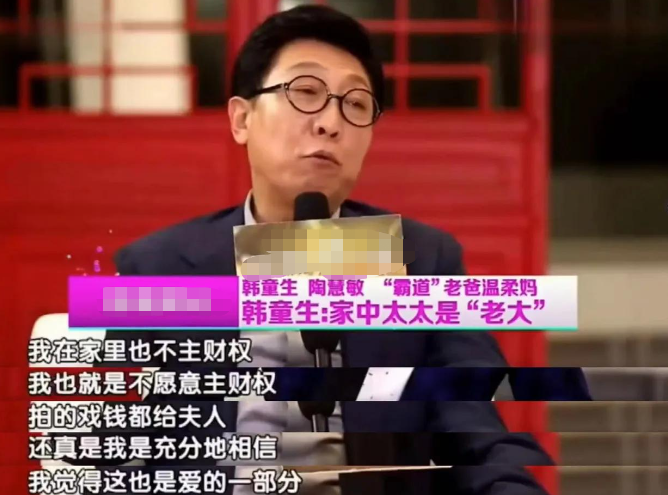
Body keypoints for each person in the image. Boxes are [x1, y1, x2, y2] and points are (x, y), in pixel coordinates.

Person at [108, 5, 590, 495]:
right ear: (241, 119)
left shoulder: (421, 262)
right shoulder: (156, 268)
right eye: (305, 92)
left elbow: (477, 438)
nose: (330, 123)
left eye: (356, 104)